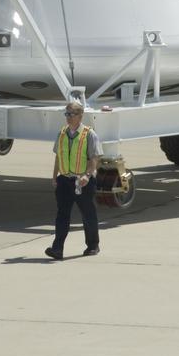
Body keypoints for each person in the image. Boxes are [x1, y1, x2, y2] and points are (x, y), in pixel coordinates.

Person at [45, 100, 102, 260]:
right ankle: (57, 249)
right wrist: (54, 176)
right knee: (62, 214)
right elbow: (58, 156)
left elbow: (94, 158)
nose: (68, 117)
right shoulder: (62, 133)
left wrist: (87, 175)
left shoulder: (89, 134)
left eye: (71, 114)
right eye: (67, 114)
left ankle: (92, 245)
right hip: (64, 180)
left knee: (87, 213)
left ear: (80, 116)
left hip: (81, 181)